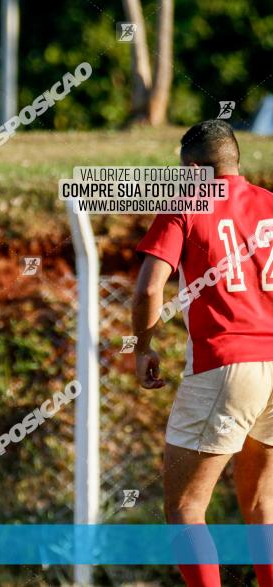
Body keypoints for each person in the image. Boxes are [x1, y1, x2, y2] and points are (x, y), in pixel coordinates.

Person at [132, 119, 273, 587]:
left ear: (194, 169)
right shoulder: (270, 204)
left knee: (186, 507)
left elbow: (149, 288)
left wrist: (144, 346)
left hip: (227, 365)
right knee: (261, 505)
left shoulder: (186, 203)